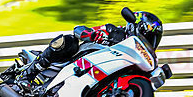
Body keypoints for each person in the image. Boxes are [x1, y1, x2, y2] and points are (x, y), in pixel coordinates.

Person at [16, 11, 163, 89]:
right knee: (68, 40)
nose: (148, 39)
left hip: (95, 77)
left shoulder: (137, 59)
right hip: (77, 62)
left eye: (151, 38)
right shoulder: (114, 31)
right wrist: (94, 35)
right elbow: (78, 30)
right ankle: (30, 73)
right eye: (148, 35)